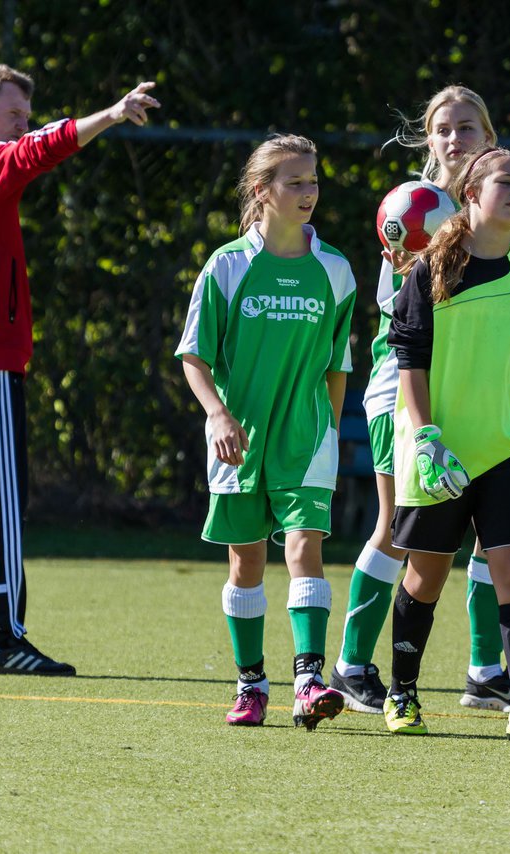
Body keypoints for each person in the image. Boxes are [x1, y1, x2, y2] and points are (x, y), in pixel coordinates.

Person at [0, 65, 159, 676]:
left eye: (26, 116)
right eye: (13, 116)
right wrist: (111, 112)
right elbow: (46, 147)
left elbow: (36, 142)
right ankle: (1, 637)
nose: (23, 127)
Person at [331, 86, 510, 716]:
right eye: (443, 129)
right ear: (427, 140)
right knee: (399, 530)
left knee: (494, 533)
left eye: (468, 127)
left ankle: (485, 672)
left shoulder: (494, 203)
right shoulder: (414, 208)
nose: (455, 138)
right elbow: (402, 313)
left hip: (476, 390)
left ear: (488, 137)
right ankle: (352, 666)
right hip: (406, 390)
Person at [381, 147, 510, 743]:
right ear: (470, 194)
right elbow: (408, 358)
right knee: (425, 576)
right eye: (505, 182)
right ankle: (401, 693)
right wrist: (427, 436)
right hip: (440, 451)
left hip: (509, 446)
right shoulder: (428, 270)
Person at [175, 135, 357, 730]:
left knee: (306, 548)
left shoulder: (334, 270)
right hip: (239, 438)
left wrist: (328, 431)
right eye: (296, 182)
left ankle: (309, 681)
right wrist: (217, 415)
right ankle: (251, 683)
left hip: (304, 439)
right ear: (262, 191)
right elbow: (194, 358)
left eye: (313, 182)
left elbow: (337, 367)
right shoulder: (226, 267)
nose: (309, 193)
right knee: (245, 563)